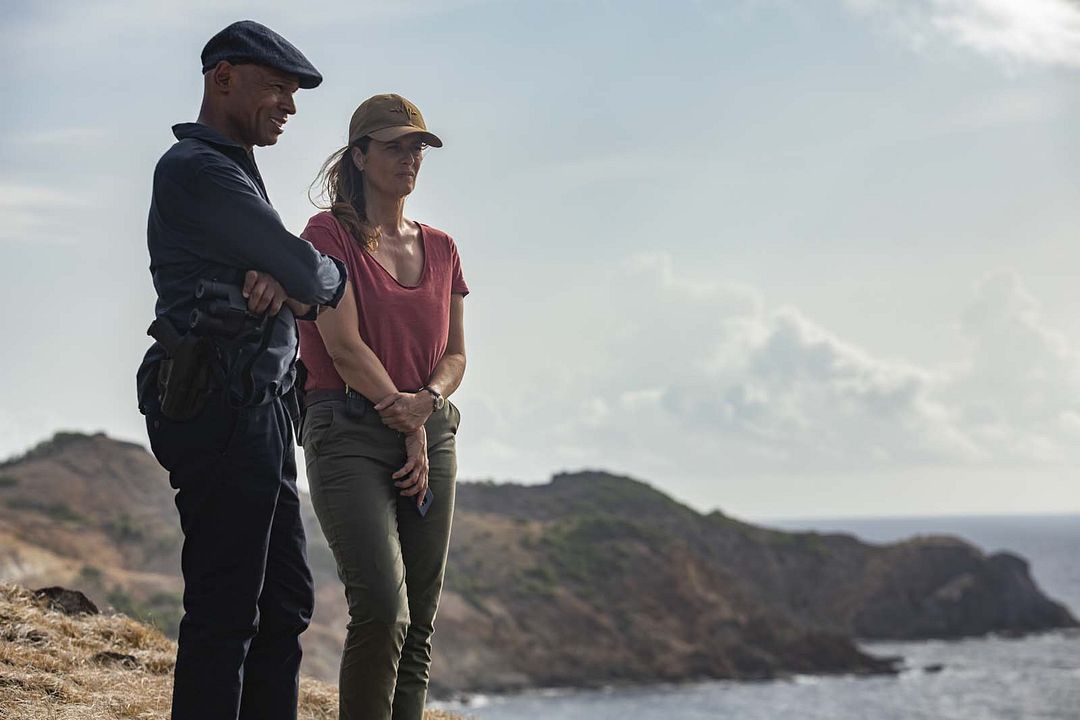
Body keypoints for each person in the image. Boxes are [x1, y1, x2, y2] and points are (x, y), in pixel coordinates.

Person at [135, 21, 348, 720]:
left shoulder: (229, 172)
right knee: (226, 612)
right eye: (277, 87)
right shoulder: (202, 170)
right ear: (222, 77)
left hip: (258, 407)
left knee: (283, 602)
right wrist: (303, 277)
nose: (289, 105)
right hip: (222, 405)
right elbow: (314, 277)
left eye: (294, 94)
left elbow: (297, 282)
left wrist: (291, 280)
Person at [297, 93, 468, 720]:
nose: (410, 157)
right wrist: (404, 413)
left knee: (419, 623)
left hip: (430, 429)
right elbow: (342, 347)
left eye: (418, 146)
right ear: (361, 155)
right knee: (383, 612)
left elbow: (454, 356)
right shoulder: (327, 234)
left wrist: (425, 406)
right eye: (396, 145)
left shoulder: (443, 247)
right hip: (347, 428)